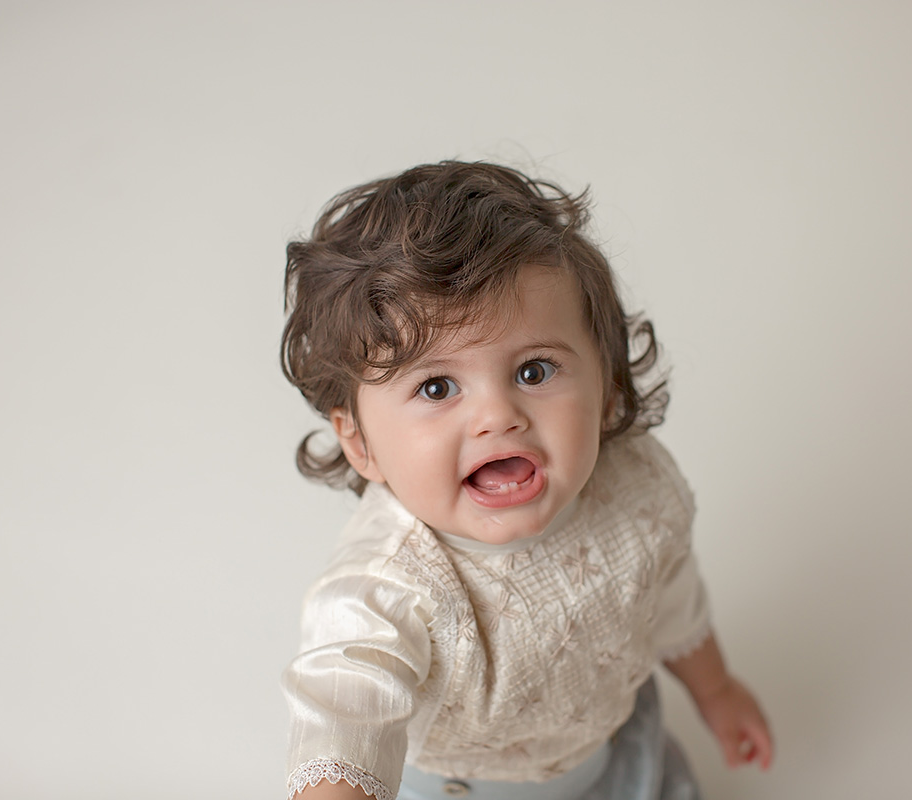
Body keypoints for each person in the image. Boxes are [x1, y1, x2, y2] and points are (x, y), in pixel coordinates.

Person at [279, 161, 773, 800]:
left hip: (615, 758)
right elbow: (343, 713)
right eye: (437, 387)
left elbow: (670, 598)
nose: (498, 416)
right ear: (360, 442)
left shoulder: (636, 491)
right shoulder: (386, 586)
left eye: (535, 371)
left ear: (606, 387)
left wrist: (716, 689)